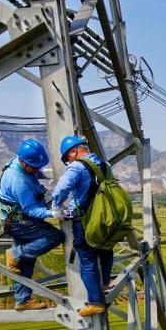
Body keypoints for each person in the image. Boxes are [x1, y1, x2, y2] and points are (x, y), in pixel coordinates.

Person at [0, 139, 65, 310]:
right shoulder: (18, 181)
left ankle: (22, 299)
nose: (37, 170)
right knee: (54, 237)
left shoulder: (19, 162)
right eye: (34, 167)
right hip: (19, 221)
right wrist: (53, 213)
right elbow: (32, 210)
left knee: (24, 263)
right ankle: (16, 253)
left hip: (14, 218)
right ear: (24, 162)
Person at [52, 135, 113, 316]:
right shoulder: (104, 165)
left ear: (74, 151)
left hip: (85, 220)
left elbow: (61, 189)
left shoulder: (77, 167)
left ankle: (95, 301)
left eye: (67, 157)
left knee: (87, 261)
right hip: (104, 219)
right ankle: (104, 283)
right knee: (105, 249)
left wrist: (56, 207)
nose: (68, 161)